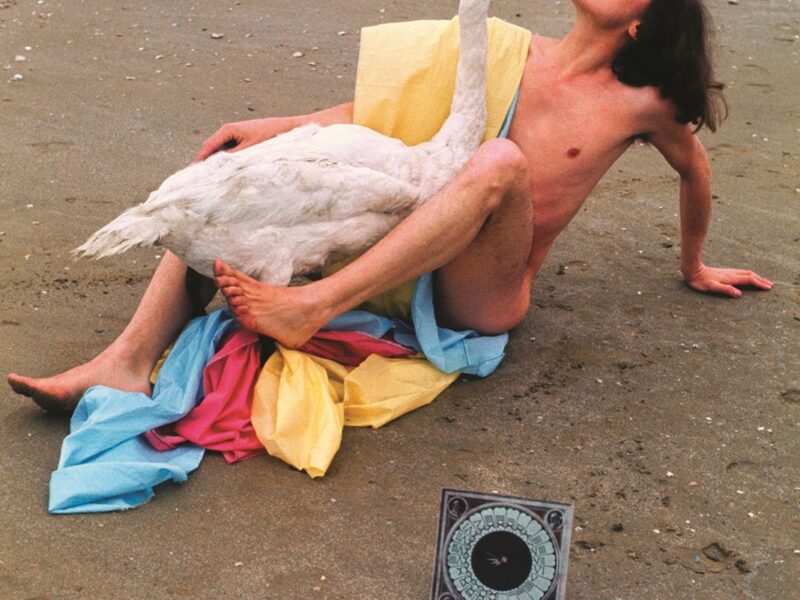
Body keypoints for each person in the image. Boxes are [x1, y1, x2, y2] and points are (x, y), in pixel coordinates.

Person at [8, 0, 772, 413]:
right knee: (238, 188)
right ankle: (124, 360)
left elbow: (694, 170)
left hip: (483, 289)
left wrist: (695, 263)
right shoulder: (508, 47)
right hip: (412, 241)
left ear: (644, 23)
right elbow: (387, 117)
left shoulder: (643, 104)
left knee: (499, 161)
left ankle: (310, 306)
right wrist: (273, 130)